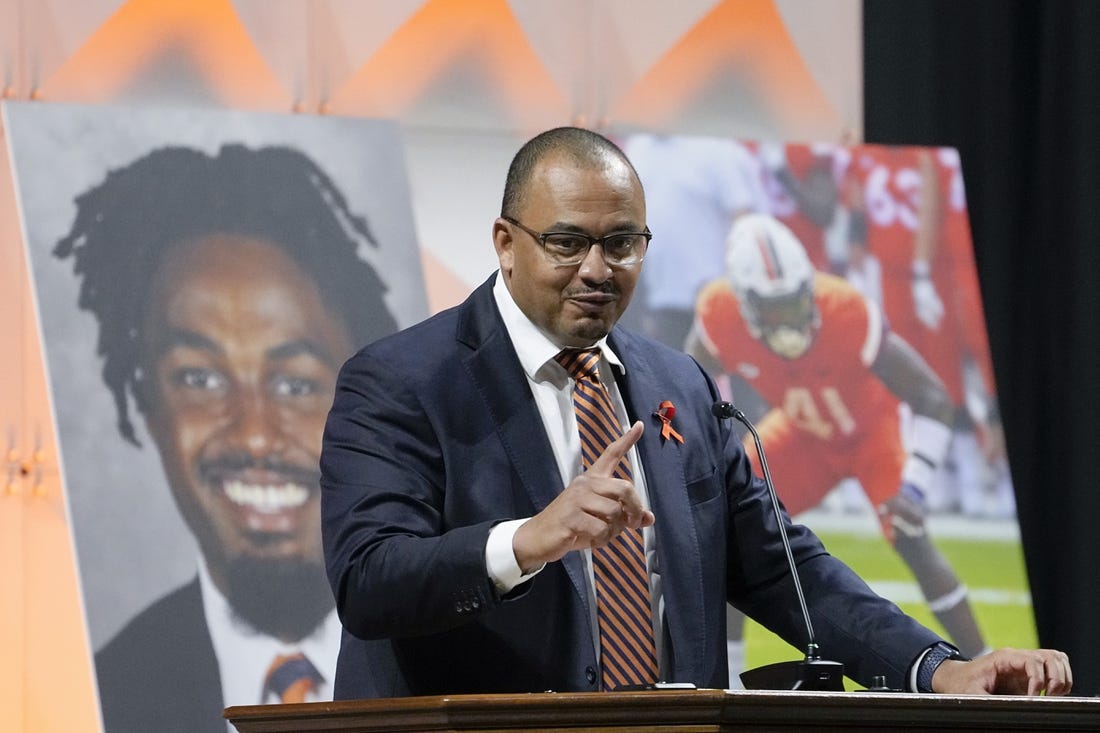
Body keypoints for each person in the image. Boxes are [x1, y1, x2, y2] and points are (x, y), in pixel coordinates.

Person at [321, 127, 1071, 699]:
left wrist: (941, 669)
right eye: (567, 242)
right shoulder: (399, 381)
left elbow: (784, 566)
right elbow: (368, 577)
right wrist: (526, 539)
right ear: (505, 244)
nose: (596, 268)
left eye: (622, 242)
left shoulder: (674, 379)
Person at [54, 144, 400, 733]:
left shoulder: (454, 655)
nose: (256, 435)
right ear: (149, 405)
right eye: (200, 378)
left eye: (295, 383)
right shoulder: (98, 700)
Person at [688, 213, 988, 681]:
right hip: (802, 432)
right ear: (745, 305)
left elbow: (932, 398)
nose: (790, 317)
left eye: (794, 303)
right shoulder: (719, 313)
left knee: (909, 533)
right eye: (775, 308)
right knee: (729, 527)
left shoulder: (845, 309)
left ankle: (980, 668)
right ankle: (728, 681)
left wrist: (915, 487)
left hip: (870, 431)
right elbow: (694, 390)